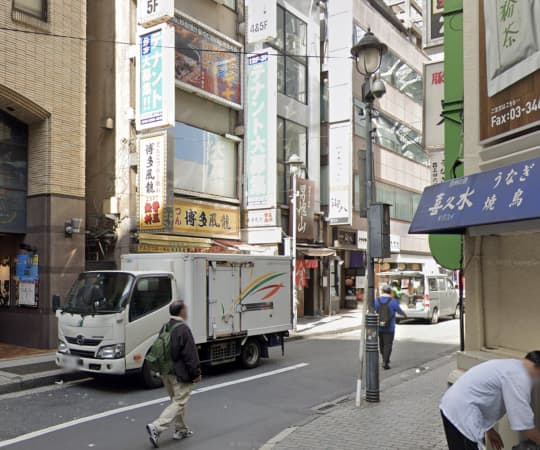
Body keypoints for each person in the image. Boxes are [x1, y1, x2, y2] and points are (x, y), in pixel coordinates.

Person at [440, 351, 540, 450]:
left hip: (450, 405)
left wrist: (488, 429)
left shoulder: (512, 365)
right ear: (538, 368)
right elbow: (525, 425)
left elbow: (480, 395)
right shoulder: (520, 377)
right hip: (462, 412)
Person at [146, 300, 202, 448]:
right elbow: (190, 354)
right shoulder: (183, 329)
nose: (187, 311)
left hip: (166, 372)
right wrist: (196, 373)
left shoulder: (165, 326)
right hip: (180, 373)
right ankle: (157, 427)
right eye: (186, 308)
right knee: (179, 401)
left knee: (176, 402)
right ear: (182, 311)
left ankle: (181, 430)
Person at [374, 285, 407, 370]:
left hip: (379, 327)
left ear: (382, 291)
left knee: (381, 344)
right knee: (388, 344)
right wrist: (405, 315)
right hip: (390, 328)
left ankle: (384, 358)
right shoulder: (393, 301)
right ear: (390, 292)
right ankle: (385, 360)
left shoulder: (376, 301)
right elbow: (399, 311)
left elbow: (371, 310)